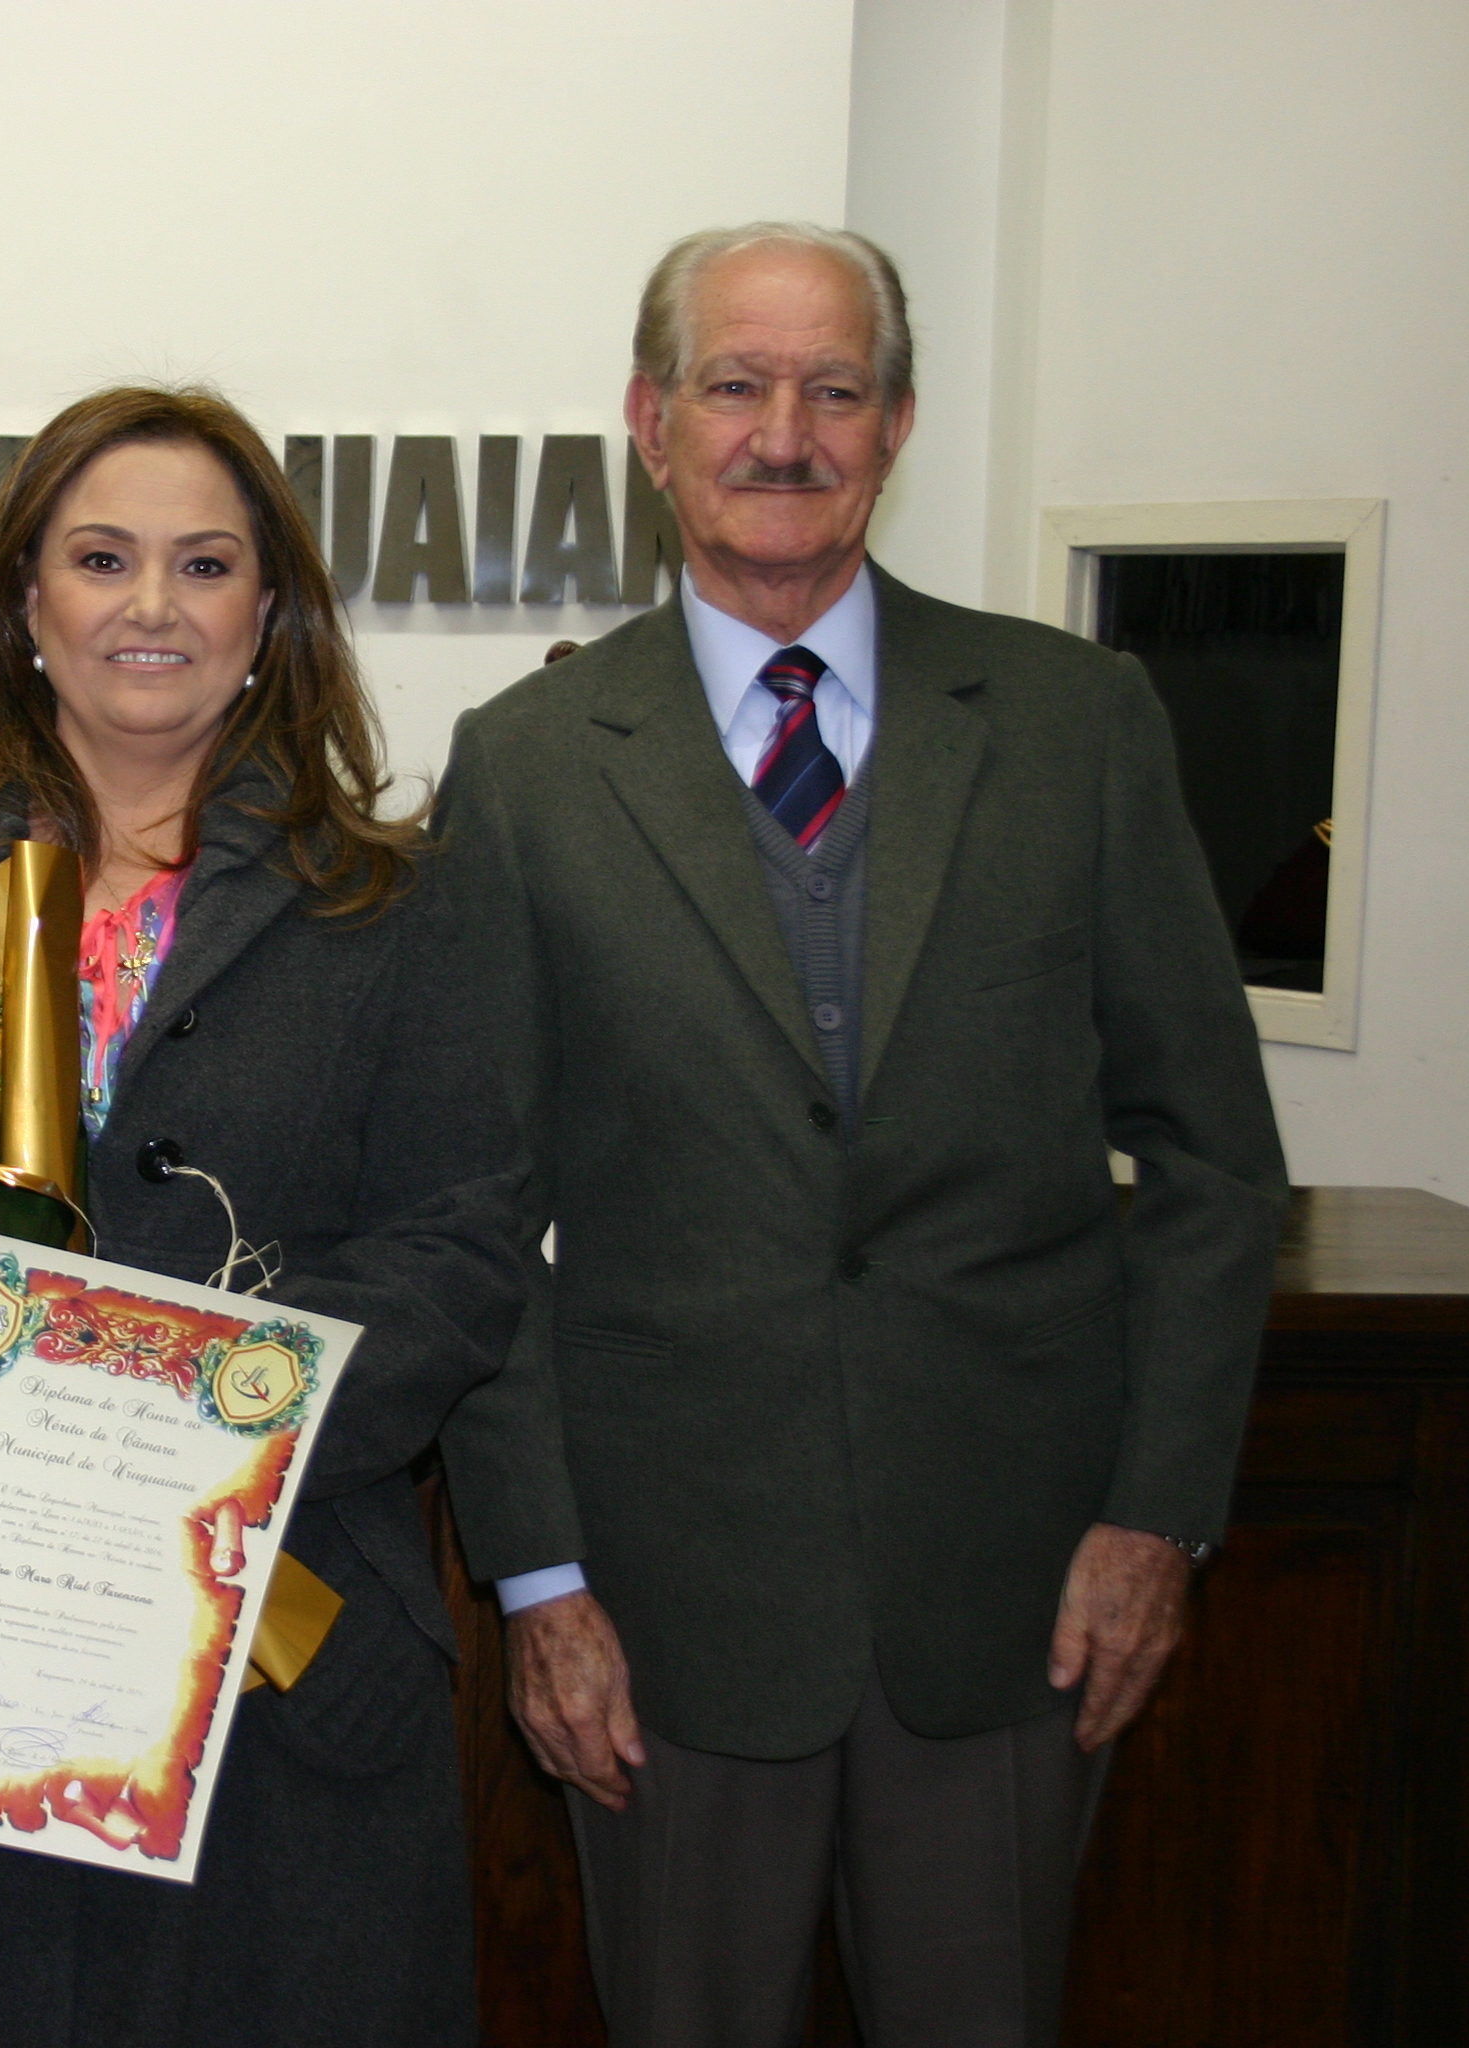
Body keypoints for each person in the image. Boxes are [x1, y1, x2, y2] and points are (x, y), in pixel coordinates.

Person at [433, 222, 1288, 2046]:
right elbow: (471, 1214)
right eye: (734, 386)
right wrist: (541, 1578)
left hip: (1019, 1598)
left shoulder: (1077, 726)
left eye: (833, 389)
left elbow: (1214, 1166)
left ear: (896, 423)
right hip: (661, 1617)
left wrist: (1158, 1515)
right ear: (651, 423)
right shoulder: (525, 766)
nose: (783, 433)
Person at [0, 385, 526, 2048]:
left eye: (204, 564)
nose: (153, 606)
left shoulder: (394, 902)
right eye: (102, 557)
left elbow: (463, 1244)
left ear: (268, 613)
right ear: (24, 600)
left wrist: (210, 1427)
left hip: (266, 1668)